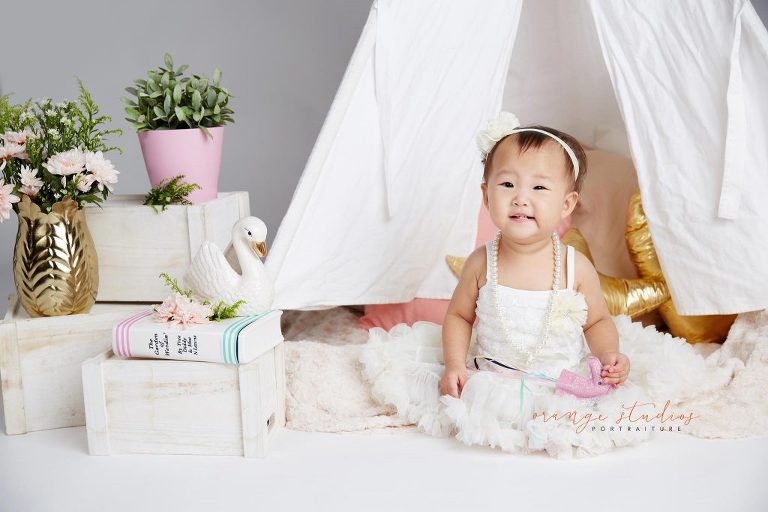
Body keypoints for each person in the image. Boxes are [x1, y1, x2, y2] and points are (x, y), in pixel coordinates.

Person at [359, 112, 724, 459]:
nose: (521, 197)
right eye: (507, 184)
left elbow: (597, 321)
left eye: (538, 186)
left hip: (558, 381)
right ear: (487, 197)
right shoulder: (481, 262)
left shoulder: (574, 267)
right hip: (492, 377)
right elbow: (457, 316)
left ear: (566, 204)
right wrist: (455, 363)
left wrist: (608, 355)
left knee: (589, 421)